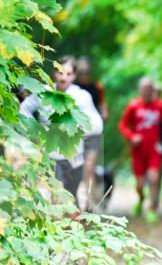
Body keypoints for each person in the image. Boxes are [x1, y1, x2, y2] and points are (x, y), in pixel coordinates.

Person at [20, 56, 104, 208]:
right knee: (51, 197)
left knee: (72, 199)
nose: (64, 77)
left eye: (68, 74)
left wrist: (75, 129)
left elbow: (97, 124)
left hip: (73, 157)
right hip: (48, 154)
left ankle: (77, 224)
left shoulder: (81, 96)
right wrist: (34, 130)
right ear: (54, 73)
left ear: (74, 76)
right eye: (60, 72)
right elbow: (24, 109)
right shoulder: (44, 92)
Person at [118, 77, 162, 223]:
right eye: (144, 89)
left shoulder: (160, 106)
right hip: (138, 151)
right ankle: (141, 199)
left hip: (154, 150)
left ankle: (152, 209)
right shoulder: (133, 106)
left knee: (154, 179)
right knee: (139, 184)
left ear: (153, 90)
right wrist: (132, 137)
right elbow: (123, 125)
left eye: (149, 89)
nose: (147, 92)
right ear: (140, 90)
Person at [75, 57, 109, 211]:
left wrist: (103, 116)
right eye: (81, 72)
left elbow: (103, 107)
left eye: (87, 73)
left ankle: (89, 203)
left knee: (89, 166)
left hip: (92, 132)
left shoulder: (97, 87)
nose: (84, 75)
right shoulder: (71, 88)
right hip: (73, 134)